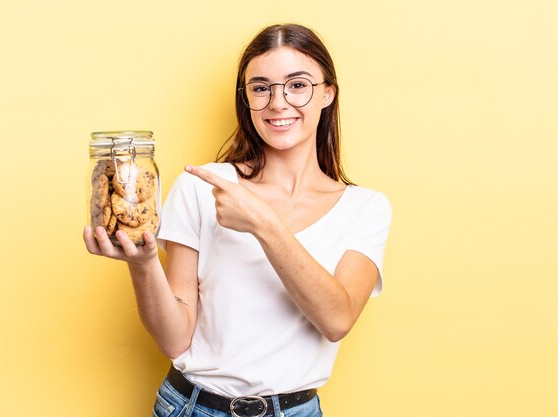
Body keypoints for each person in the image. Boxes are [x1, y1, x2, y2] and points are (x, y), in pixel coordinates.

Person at [84, 23, 392, 417]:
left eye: (298, 85)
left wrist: (263, 224)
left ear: (328, 93)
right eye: (261, 88)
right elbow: (176, 340)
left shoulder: (365, 208)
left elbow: (336, 319)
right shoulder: (204, 187)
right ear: (247, 99)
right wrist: (143, 265)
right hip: (192, 407)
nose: (278, 103)